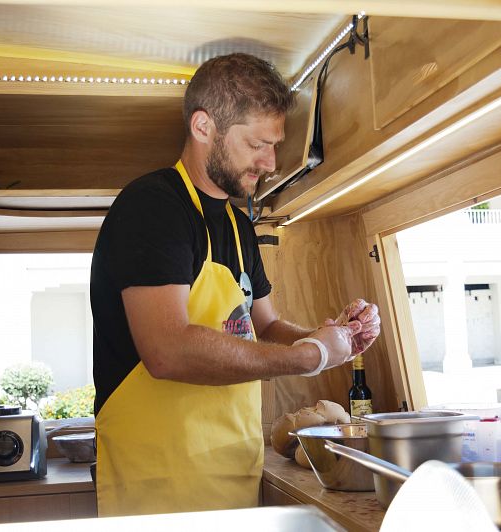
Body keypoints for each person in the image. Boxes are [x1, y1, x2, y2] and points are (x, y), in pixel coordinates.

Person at [89, 53, 381, 517]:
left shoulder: (239, 223)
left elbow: (265, 326)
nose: (270, 162)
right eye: (257, 144)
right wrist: (311, 356)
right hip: (157, 487)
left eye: (275, 144)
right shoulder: (152, 207)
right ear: (204, 127)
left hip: (232, 474)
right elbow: (167, 349)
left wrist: (332, 335)